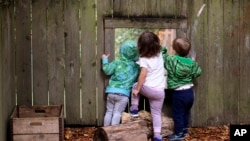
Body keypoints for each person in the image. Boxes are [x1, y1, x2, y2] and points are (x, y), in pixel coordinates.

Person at [162, 37, 202, 141]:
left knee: (178, 114)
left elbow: (163, 56)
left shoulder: (171, 60)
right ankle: (185, 130)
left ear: (174, 49)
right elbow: (198, 72)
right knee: (186, 112)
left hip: (179, 93)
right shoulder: (191, 62)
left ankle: (179, 134)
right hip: (189, 92)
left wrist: (163, 49)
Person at [130, 31, 166, 141]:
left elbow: (143, 75)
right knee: (156, 114)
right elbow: (162, 48)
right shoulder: (159, 54)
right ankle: (157, 135)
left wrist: (137, 89)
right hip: (160, 92)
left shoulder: (144, 59)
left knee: (135, 85)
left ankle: (134, 109)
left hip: (149, 89)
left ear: (141, 46)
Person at [102, 40, 139, 126]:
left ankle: (105, 130)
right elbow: (140, 79)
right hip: (123, 95)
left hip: (111, 92)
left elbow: (107, 70)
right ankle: (113, 133)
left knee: (109, 112)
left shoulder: (117, 62)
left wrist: (104, 60)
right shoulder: (136, 67)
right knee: (117, 113)